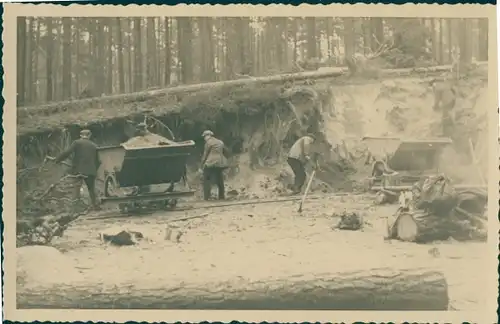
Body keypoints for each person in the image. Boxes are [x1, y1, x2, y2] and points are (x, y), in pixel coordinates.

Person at [49, 129, 101, 211]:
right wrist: (94, 169)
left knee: (75, 188)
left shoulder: (77, 143)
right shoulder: (94, 145)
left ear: (80, 135)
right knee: (91, 189)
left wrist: (57, 160)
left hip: (79, 170)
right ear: (89, 135)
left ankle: (74, 207)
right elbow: (98, 161)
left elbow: (67, 152)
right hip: (91, 170)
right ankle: (95, 206)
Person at [199, 130, 229, 200]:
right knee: (220, 179)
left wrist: (201, 166)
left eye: (204, 136)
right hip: (220, 163)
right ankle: (221, 196)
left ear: (208, 135)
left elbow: (205, 156)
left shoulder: (208, 143)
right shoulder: (220, 142)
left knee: (206, 179)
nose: (204, 138)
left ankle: (207, 197)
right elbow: (226, 152)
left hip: (210, 163)